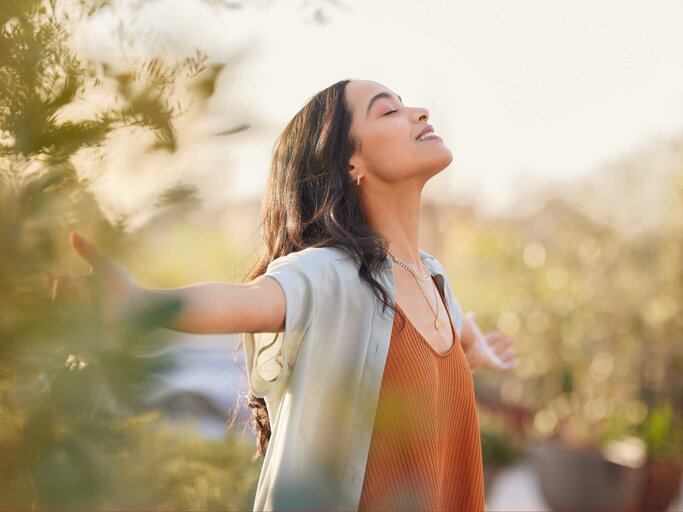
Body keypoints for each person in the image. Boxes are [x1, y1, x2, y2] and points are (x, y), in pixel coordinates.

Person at [50, 79, 519, 511]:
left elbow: (448, 328)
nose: (418, 112)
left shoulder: (431, 278)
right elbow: (247, 301)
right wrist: (141, 304)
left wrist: (471, 345)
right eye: (388, 112)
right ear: (351, 161)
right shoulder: (330, 273)